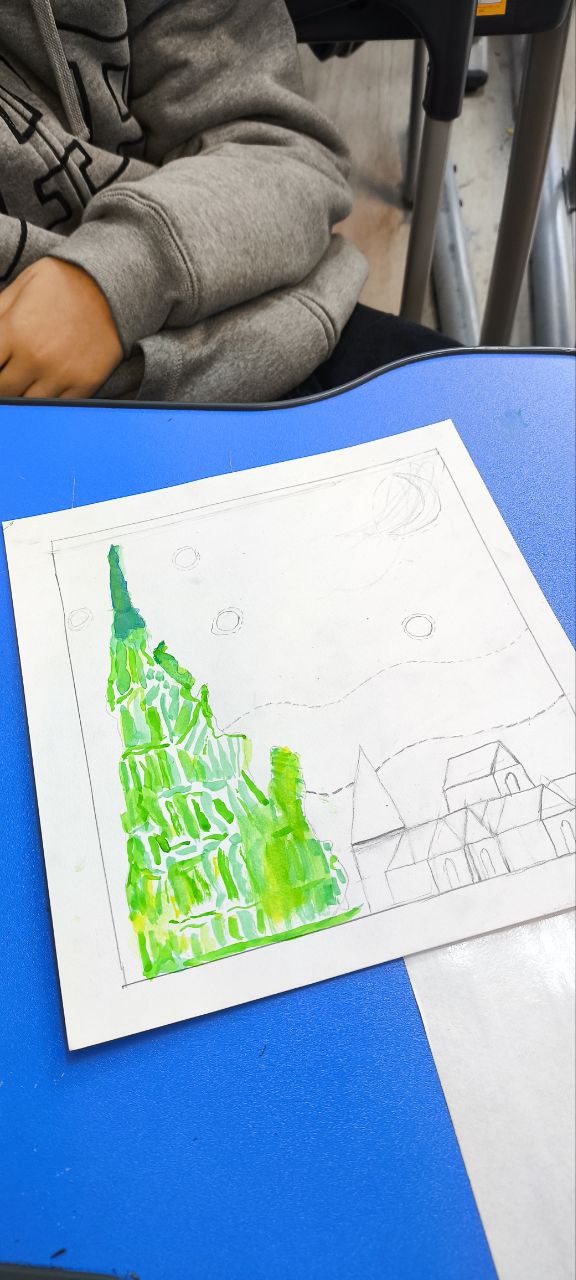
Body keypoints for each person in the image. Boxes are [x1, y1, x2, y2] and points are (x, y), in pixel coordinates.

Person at [0, 0, 457, 404]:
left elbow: (280, 152)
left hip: (274, 338)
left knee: (485, 416)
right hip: (52, 433)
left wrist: (114, 277)